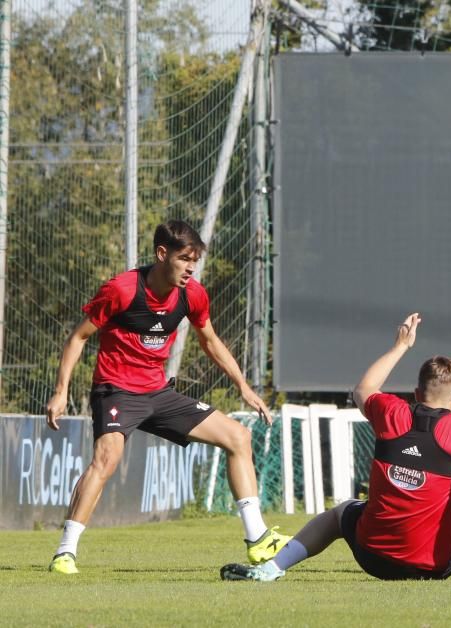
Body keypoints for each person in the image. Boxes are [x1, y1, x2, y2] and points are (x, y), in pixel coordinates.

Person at [221, 313, 451, 582]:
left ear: (417, 394)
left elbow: (363, 389)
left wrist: (401, 345)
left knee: (339, 513)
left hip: (373, 558)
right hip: (433, 566)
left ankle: (273, 568)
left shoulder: (392, 412)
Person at [45, 220, 289, 574]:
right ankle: (65, 553)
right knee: (107, 459)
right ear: (162, 254)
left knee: (238, 436)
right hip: (117, 390)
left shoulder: (193, 294)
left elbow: (210, 341)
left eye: (195, 260)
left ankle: (257, 539)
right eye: (184, 258)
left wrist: (243, 386)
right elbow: (78, 337)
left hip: (159, 393)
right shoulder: (123, 290)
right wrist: (60, 391)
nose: (191, 267)